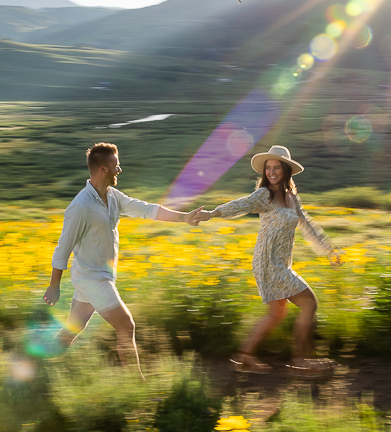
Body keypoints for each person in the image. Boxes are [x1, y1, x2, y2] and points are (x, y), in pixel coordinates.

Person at [43, 143, 206, 373]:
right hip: (92, 279)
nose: (119, 169)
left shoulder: (112, 196)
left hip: (96, 276)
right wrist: (54, 286)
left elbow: (147, 209)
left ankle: (41, 369)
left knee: (73, 328)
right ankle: (136, 386)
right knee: (126, 326)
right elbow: (62, 249)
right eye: (115, 165)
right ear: (103, 169)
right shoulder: (80, 206)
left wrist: (185, 218)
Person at [200, 144, 340, 375]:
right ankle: (301, 360)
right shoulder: (264, 195)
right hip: (268, 262)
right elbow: (241, 204)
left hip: (280, 263)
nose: (272, 172)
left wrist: (329, 251)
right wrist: (212, 213)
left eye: (276, 168)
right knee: (309, 303)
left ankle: (244, 356)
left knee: (276, 314)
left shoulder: (292, 198)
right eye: (268, 168)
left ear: (286, 170)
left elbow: (308, 227)